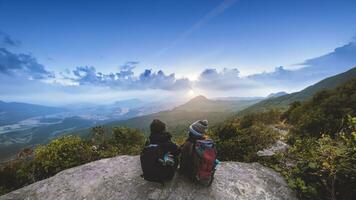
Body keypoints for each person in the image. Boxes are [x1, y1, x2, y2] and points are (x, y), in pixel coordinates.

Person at [179, 120, 218, 186]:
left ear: (192, 133)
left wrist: (180, 172)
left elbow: (183, 161)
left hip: (193, 176)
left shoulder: (188, 144)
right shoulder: (208, 143)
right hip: (206, 174)